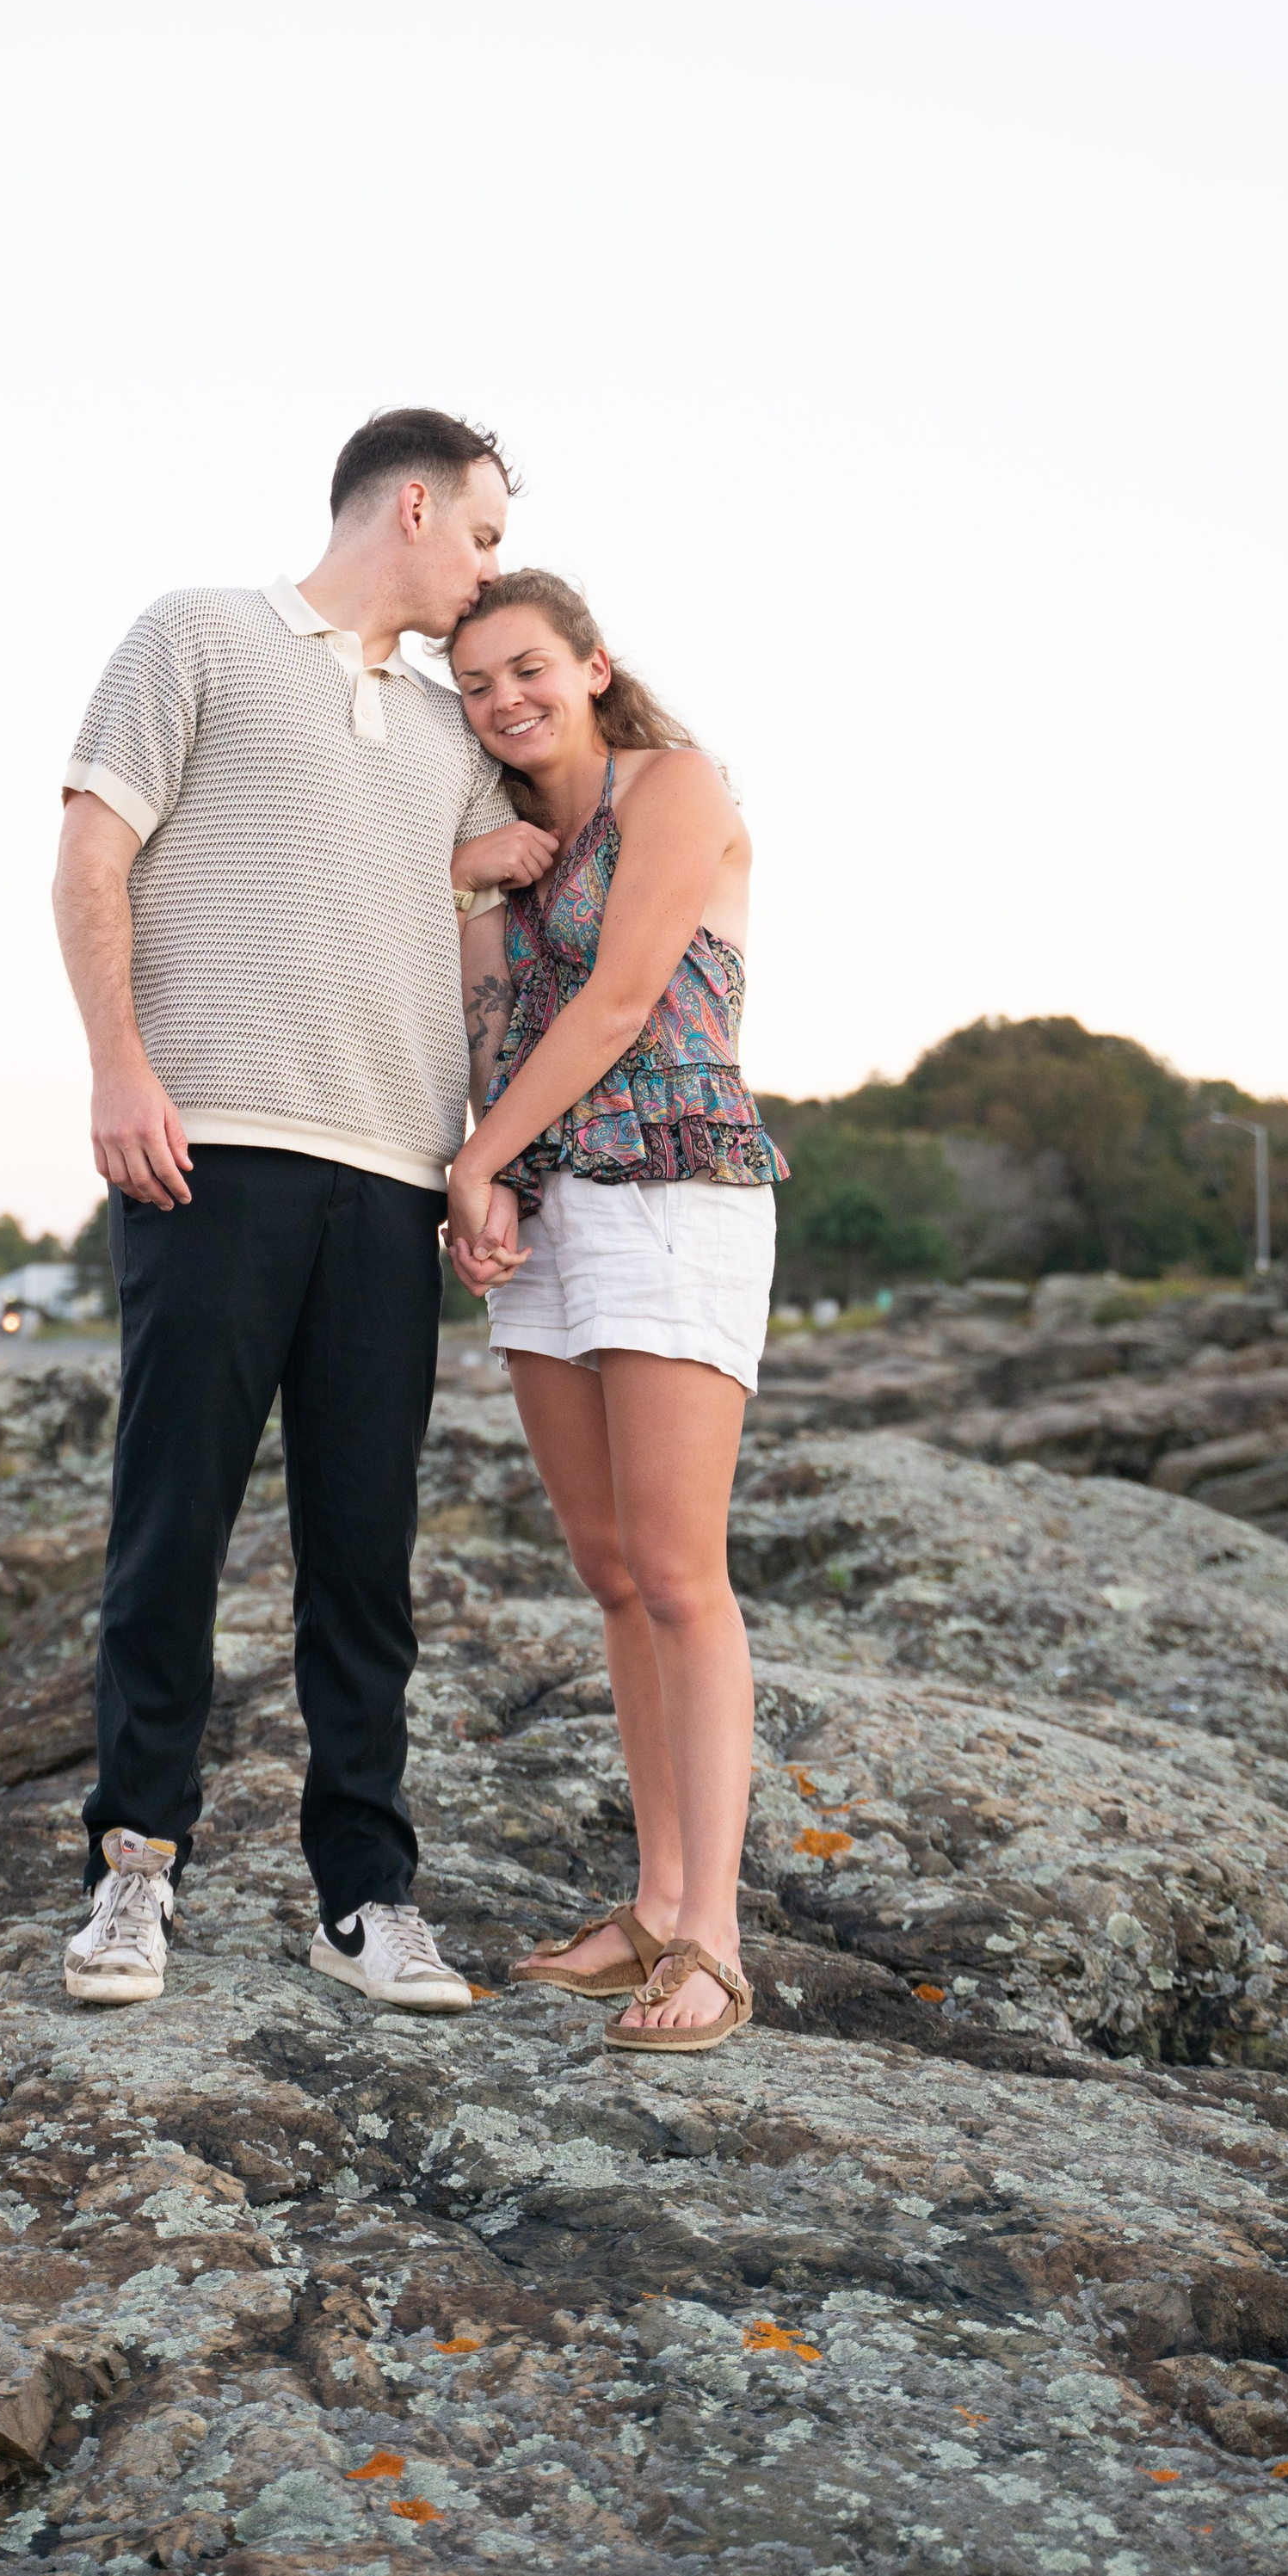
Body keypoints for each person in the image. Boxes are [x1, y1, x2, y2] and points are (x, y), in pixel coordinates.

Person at [51, 409, 554, 2017]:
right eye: (480, 535)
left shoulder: (449, 728)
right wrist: (118, 1065)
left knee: (364, 1551)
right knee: (171, 1522)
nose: (489, 570)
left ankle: (367, 1894)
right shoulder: (194, 635)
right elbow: (88, 860)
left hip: (393, 1177)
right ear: (412, 505)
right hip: (210, 1148)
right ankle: (136, 1869)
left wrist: (484, 1152)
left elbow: (477, 939)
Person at [442, 571, 788, 2053]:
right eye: (474, 684)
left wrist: (474, 1158)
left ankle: (712, 1939)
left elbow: (622, 998)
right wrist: (498, 1172)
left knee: (676, 1563)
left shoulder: (676, 785)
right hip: (560, 1208)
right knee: (604, 1566)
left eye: (526, 667)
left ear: (590, 664)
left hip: (675, 1187)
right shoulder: (507, 849)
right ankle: (651, 1903)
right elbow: (493, 1024)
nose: (504, 698)